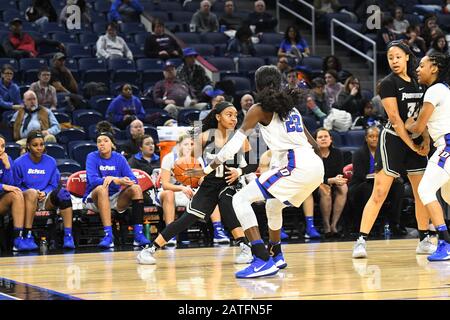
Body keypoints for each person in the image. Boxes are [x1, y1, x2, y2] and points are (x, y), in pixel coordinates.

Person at [184, 65, 324, 278]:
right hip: (313, 165)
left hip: (297, 164)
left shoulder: (258, 108)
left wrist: (207, 169)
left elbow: (232, 145)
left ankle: (261, 259)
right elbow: (314, 145)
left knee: (239, 199)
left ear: (257, 86)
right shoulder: (291, 109)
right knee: (273, 205)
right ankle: (276, 254)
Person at [137, 100, 258, 265]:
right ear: (217, 117)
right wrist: (190, 173)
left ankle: (245, 247)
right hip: (209, 185)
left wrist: (239, 171)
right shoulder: (204, 137)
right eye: (229, 115)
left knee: (226, 203)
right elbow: (190, 160)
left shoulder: (239, 139)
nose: (234, 119)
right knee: (187, 218)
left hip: (229, 183)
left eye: (236, 116)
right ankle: (150, 249)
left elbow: (253, 163)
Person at [352, 40, 434, 259]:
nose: (394, 61)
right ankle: (361, 240)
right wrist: (412, 145)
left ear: (407, 57)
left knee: (421, 193)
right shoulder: (388, 83)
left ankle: (424, 238)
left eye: (398, 56)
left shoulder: (420, 82)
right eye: (390, 57)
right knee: (380, 192)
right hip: (394, 140)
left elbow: (423, 116)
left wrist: (425, 139)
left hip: (415, 141)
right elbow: (396, 120)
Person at [405, 52, 450, 261]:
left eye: (421, 65)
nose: (417, 69)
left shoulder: (433, 91)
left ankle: (445, 242)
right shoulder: (444, 90)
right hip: (443, 144)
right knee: (448, 197)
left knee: (425, 189)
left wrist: (407, 125)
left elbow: (419, 126)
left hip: (447, 146)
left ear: (434, 68)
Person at [83, 121, 151, 249]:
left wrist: (123, 180)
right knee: (102, 188)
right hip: (94, 198)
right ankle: (108, 236)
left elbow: (133, 179)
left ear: (112, 144)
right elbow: (92, 181)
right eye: (99, 141)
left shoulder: (119, 158)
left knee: (136, 188)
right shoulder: (92, 157)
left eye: (105, 140)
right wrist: (114, 180)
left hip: (115, 198)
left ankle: (138, 235)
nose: (101, 143)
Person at [158, 133, 231, 246]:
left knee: (212, 192)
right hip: (173, 191)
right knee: (168, 194)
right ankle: (169, 234)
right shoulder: (169, 158)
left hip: (192, 191)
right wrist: (182, 188)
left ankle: (218, 230)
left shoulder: (198, 159)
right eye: (185, 144)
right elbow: (165, 185)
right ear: (179, 146)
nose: (189, 147)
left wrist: (204, 182)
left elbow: (202, 179)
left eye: (192, 144)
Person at [13, 130, 75, 250]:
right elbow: (16, 186)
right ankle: (27, 235)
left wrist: (44, 192)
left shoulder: (51, 161)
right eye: (35, 145)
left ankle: (68, 236)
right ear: (28, 146)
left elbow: (53, 184)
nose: (39, 148)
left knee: (64, 194)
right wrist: (34, 192)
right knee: (31, 193)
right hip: (26, 199)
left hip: (45, 198)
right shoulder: (19, 163)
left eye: (41, 144)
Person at [348, 126, 406, 235]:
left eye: (377, 136)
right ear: (366, 138)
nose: (374, 139)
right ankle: (369, 226)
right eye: (371, 136)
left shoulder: (388, 153)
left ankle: (395, 223)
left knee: (399, 187)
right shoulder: (359, 153)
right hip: (362, 184)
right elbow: (360, 175)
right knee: (369, 189)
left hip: (384, 183)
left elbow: (398, 170)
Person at [315, 128, 347, 237]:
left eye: (326, 136)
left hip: (332, 182)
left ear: (331, 139)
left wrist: (339, 178)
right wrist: (329, 180)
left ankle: (334, 224)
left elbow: (339, 172)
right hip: (315, 185)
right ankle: (326, 226)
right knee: (325, 189)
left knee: (344, 187)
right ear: (315, 141)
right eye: (320, 137)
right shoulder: (312, 155)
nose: (323, 139)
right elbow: (313, 177)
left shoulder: (337, 153)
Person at [0, 134, 28, 251]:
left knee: (17, 193)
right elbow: (6, 186)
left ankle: (18, 239)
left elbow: (11, 184)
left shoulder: (7, 159)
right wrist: (2, 186)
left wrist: (7, 167)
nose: (0, 149)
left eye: (2, 146)